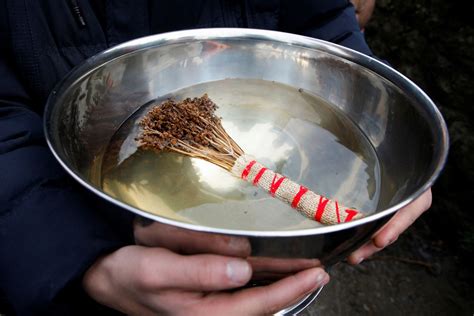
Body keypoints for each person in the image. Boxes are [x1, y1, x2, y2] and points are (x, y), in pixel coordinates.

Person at [0, 1, 432, 315]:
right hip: (85, 251)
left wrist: (381, 117)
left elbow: (321, 20)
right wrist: (78, 259)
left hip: (282, 250)